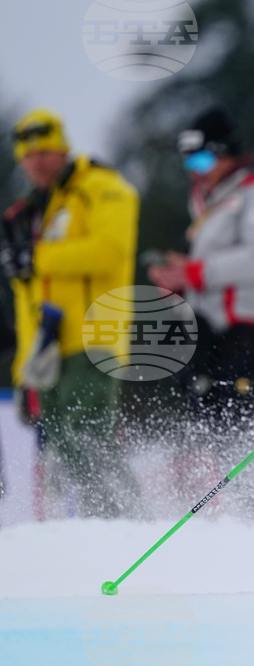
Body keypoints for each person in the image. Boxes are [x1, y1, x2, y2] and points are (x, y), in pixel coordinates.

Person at [148, 107, 254, 518]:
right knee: (215, 431)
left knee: (251, 433)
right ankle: (237, 520)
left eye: (202, 159)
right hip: (213, 334)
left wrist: (193, 273)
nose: (194, 171)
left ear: (227, 153)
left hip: (249, 332)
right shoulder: (213, 197)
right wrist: (182, 283)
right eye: (187, 161)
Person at [2, 108, 141, 518]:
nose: (37, 162)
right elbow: (30, 300)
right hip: (47, 352)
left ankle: (132, 525)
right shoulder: (35, 210)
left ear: (63, 149)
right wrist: (24, 370)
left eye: (45, 151)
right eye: (28, 156)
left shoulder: (100, 186)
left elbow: (110, 250)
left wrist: (38, 257)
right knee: (66, 447)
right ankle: (107, 527)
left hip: (93, 340)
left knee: (90, 438)